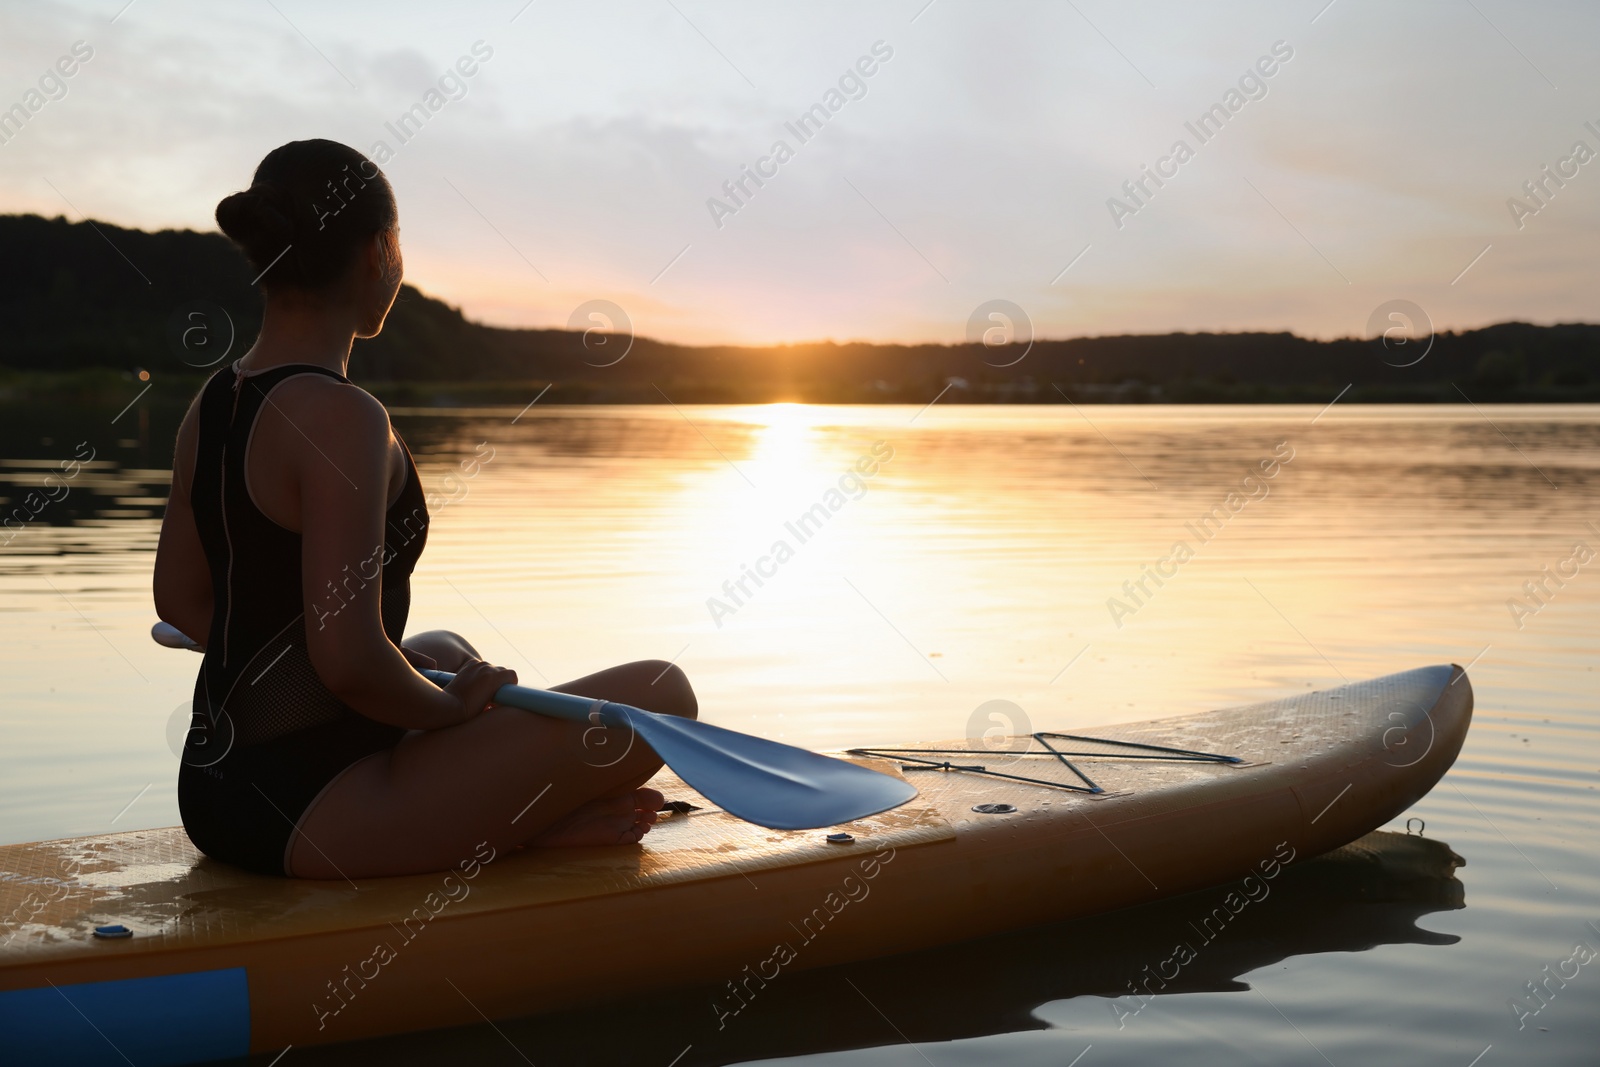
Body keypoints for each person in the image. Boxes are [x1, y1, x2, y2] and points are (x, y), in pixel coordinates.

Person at [152, 139, 696, 879]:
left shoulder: (213, 402)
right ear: (380, 251)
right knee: (664, 694)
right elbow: (346, 658)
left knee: (440, 651)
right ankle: (530, 827)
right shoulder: (343, 418)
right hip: (314, 808)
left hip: (215, 794)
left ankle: (501, 806)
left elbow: (182, 602)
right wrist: (449, 710)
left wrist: (401, 674)